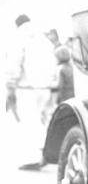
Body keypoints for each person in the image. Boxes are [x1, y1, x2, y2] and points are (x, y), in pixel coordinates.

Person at [5, 14, 58, 170]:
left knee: (31, 120)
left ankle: (35, 158)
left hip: (28, 86)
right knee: (46, 119)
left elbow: (14, 63)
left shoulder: (19, 37)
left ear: (18, 24)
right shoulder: (44, 38)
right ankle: (48, 153)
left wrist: (10, 85)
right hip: (48, 86)